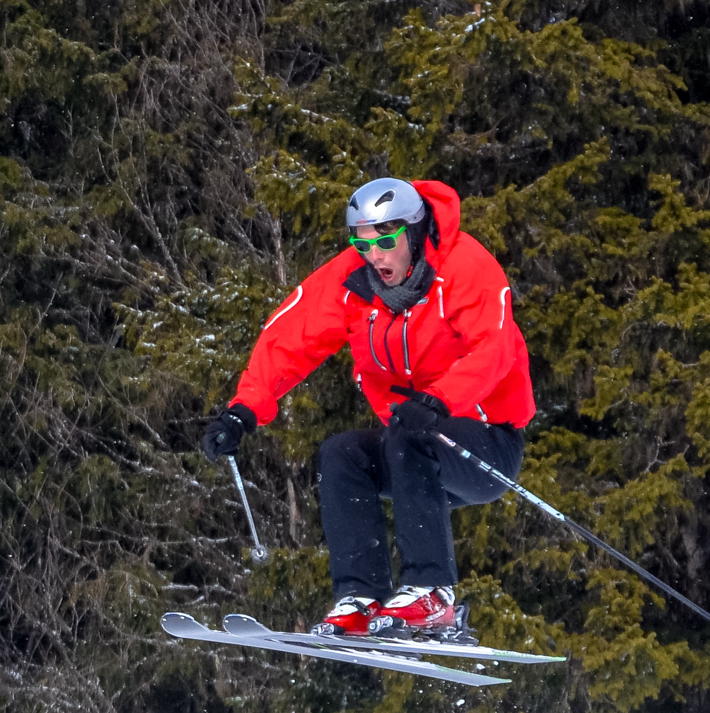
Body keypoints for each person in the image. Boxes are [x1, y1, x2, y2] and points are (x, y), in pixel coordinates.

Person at [200, 178, 535, 640]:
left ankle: (431, 593)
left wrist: (439, 400)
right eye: (362, 243)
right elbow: (291, 337)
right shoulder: (356, 282)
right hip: (412, 450)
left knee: (408, 433)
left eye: (385, 242)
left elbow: (494, 349)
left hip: (486, 443)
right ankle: (361, 598)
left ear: (414, 233)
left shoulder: (464, 266)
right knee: (343, 453)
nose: (375, 256)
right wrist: (243, 411)